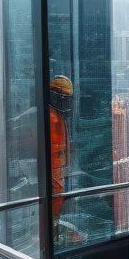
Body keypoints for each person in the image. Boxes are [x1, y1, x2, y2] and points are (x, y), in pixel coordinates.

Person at [49, 75, 73, 220]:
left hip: (58, 177)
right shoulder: (52, 119)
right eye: (65, 98)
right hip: (55, 179)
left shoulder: (57, 117)